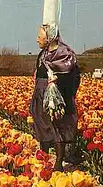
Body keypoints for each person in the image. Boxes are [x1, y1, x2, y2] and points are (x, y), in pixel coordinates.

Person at [30, 24, 81, 172]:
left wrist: (57, 88)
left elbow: (72, 75)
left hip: (57, 96)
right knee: (42, 125)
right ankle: (44, 158)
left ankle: (58, 163)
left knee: (58, 126)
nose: (37, 40)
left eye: (40, 37)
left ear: (49, 38)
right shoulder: (44, 53)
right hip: (40, 93)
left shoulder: (64, 54)